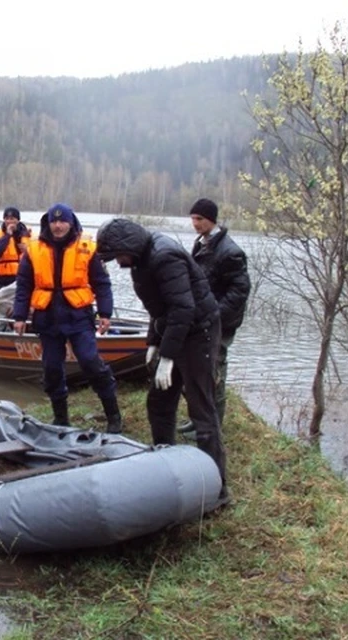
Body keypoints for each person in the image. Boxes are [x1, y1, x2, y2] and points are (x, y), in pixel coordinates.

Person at [96, 217, 229, 505]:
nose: (118, 262)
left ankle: (216, 489)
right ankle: (167, 468)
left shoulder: (164, 256)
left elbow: (183, 308)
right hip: (176, 330)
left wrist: (168, 356)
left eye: (118, 254)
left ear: (129, 246)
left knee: (202, 410)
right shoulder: (142, 260)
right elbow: (159, 308)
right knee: (159, 403)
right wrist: (153, 343)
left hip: (199, 333)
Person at [11, 203, 122, 433]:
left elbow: (102, 284)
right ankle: (61, 419)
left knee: (90, 361)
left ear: (71, 223)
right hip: (47, 317)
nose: (58, 226)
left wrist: (105, 313)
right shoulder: (33, 249)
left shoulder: (87, 248)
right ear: (48, 223)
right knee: (51, 368)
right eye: (54, 221)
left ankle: (113, 416)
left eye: (63, 221)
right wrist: (20, 316)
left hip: (78, 315)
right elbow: (23, 286)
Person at [189, 198, 251, 426]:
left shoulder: (230, 251)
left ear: (211, 220)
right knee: (199, 370)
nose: (195, 223)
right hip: (203, 320)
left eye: (199, 219)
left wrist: (216, 315)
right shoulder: (202, 243)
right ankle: (198, 419)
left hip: (220, 323)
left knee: (215, 371)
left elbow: (240, 290)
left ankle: (213, 424)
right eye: (193, 218)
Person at [0, 206, 31, 290]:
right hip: (3, 280)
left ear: (18, 220)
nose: (9, 221)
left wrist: (28, 250)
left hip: (22, 278)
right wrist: (7, 235)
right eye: (7, 218)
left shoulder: (28, 235)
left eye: (12, 218)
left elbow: (38, 256)